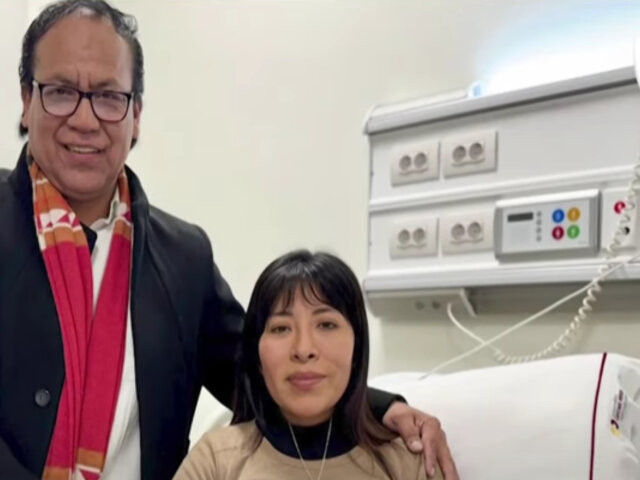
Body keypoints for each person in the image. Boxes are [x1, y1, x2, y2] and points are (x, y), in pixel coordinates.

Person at [0, 1, 458, 480]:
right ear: (26, 101)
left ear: (135, 114)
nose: (85, 119)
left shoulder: (184, 259)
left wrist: (382, 408)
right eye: (60, 92)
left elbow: (263, 371)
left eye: (109, 96)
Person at [174, 250, 443, 480]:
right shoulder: (216, 460)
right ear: (257, 356)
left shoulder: (408, 461)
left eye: (326, 324)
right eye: (281, 328)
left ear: (357, 347)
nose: (304, 350)